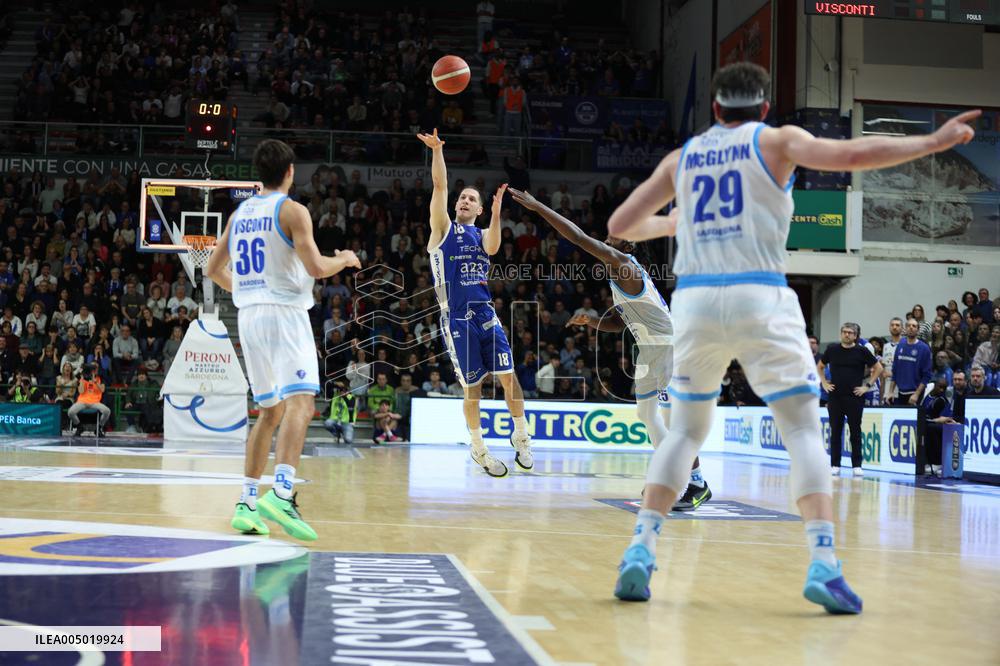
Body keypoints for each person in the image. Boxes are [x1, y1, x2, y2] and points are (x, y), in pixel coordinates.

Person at [605, 61, 979, 612]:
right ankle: (824, 564)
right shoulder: (776, 140)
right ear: (761, 108)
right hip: (760, 294)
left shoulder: (681, 158)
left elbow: (619, 225)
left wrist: (669, 223)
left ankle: (640, 548)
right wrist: (933, 141)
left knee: (684, 433)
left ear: (713, 109)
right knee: (804, 426)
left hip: (696, 300)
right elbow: (853, 155)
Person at [509, 187, 710, 511]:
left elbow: (576, 237)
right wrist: (594, 322)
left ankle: (697, 483)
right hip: (647, 351)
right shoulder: (620, 277)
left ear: (627, 244)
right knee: (646, 414)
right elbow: (621, 321)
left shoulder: (624, 264)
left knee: (674, 422)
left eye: (614, 236)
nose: (608, 238)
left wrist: (538, 207)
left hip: (666, 348)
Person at [205, 139, 360, 541]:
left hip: (250, 317)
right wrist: (343, 259)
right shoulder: (292, 210)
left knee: (269, 412)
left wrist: (245, 292)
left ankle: (246, 502)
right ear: (290, 172)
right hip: (285, 315)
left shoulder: (239, 214)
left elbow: (211, 268)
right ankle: (283, 493)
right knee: (302, 404)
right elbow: (316, 266)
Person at [416, 128, 533, 477]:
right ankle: (479, 448)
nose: (465, 201)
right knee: (474, 389)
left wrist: (498, 213)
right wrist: (437, 151)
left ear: (479, 209)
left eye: (472, 199)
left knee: (509, 378)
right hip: (455, 318)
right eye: (462, 197)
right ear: (456, 205)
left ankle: (522, 437)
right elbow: (439, 186)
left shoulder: (483, 234)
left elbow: (494, 247)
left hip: (485, 313)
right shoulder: (442, 230)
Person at [817, 322, 882, 476]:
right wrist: (824, 383)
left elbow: (878, 368)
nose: (847, 334)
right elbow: (820, 366)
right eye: (844, 332)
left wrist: (867, 386)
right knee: (836, 431)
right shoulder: (832, 349)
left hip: (855, 397)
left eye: (850, 332)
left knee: (855, 431)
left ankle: (857, 465)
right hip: (835, 397)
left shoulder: (861, 351)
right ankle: (835, 464)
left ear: (855, 335)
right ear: (841, 334)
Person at [892, 318, 932, 406]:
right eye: (908, 325)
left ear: (918, 330)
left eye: (914, 326)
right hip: (900, 392)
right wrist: (890, 392)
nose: (911, 327)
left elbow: (927, 375)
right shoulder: (900, 344)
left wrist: (917, 394)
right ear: (905, 329)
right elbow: (895, 370)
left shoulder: (924, 348)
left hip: (915, 393)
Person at [67, 363, 110, 435]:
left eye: (95, 369)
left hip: (95, 402)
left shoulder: (100, 379)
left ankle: (98, 428)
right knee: (70, 412)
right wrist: (82, 380)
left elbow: (102, 390)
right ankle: (79, 426)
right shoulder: (84, 377)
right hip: (82, 401)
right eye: (92, 369)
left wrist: (95, 381)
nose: (93, 371)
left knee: (107, 411)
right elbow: (81, 391)